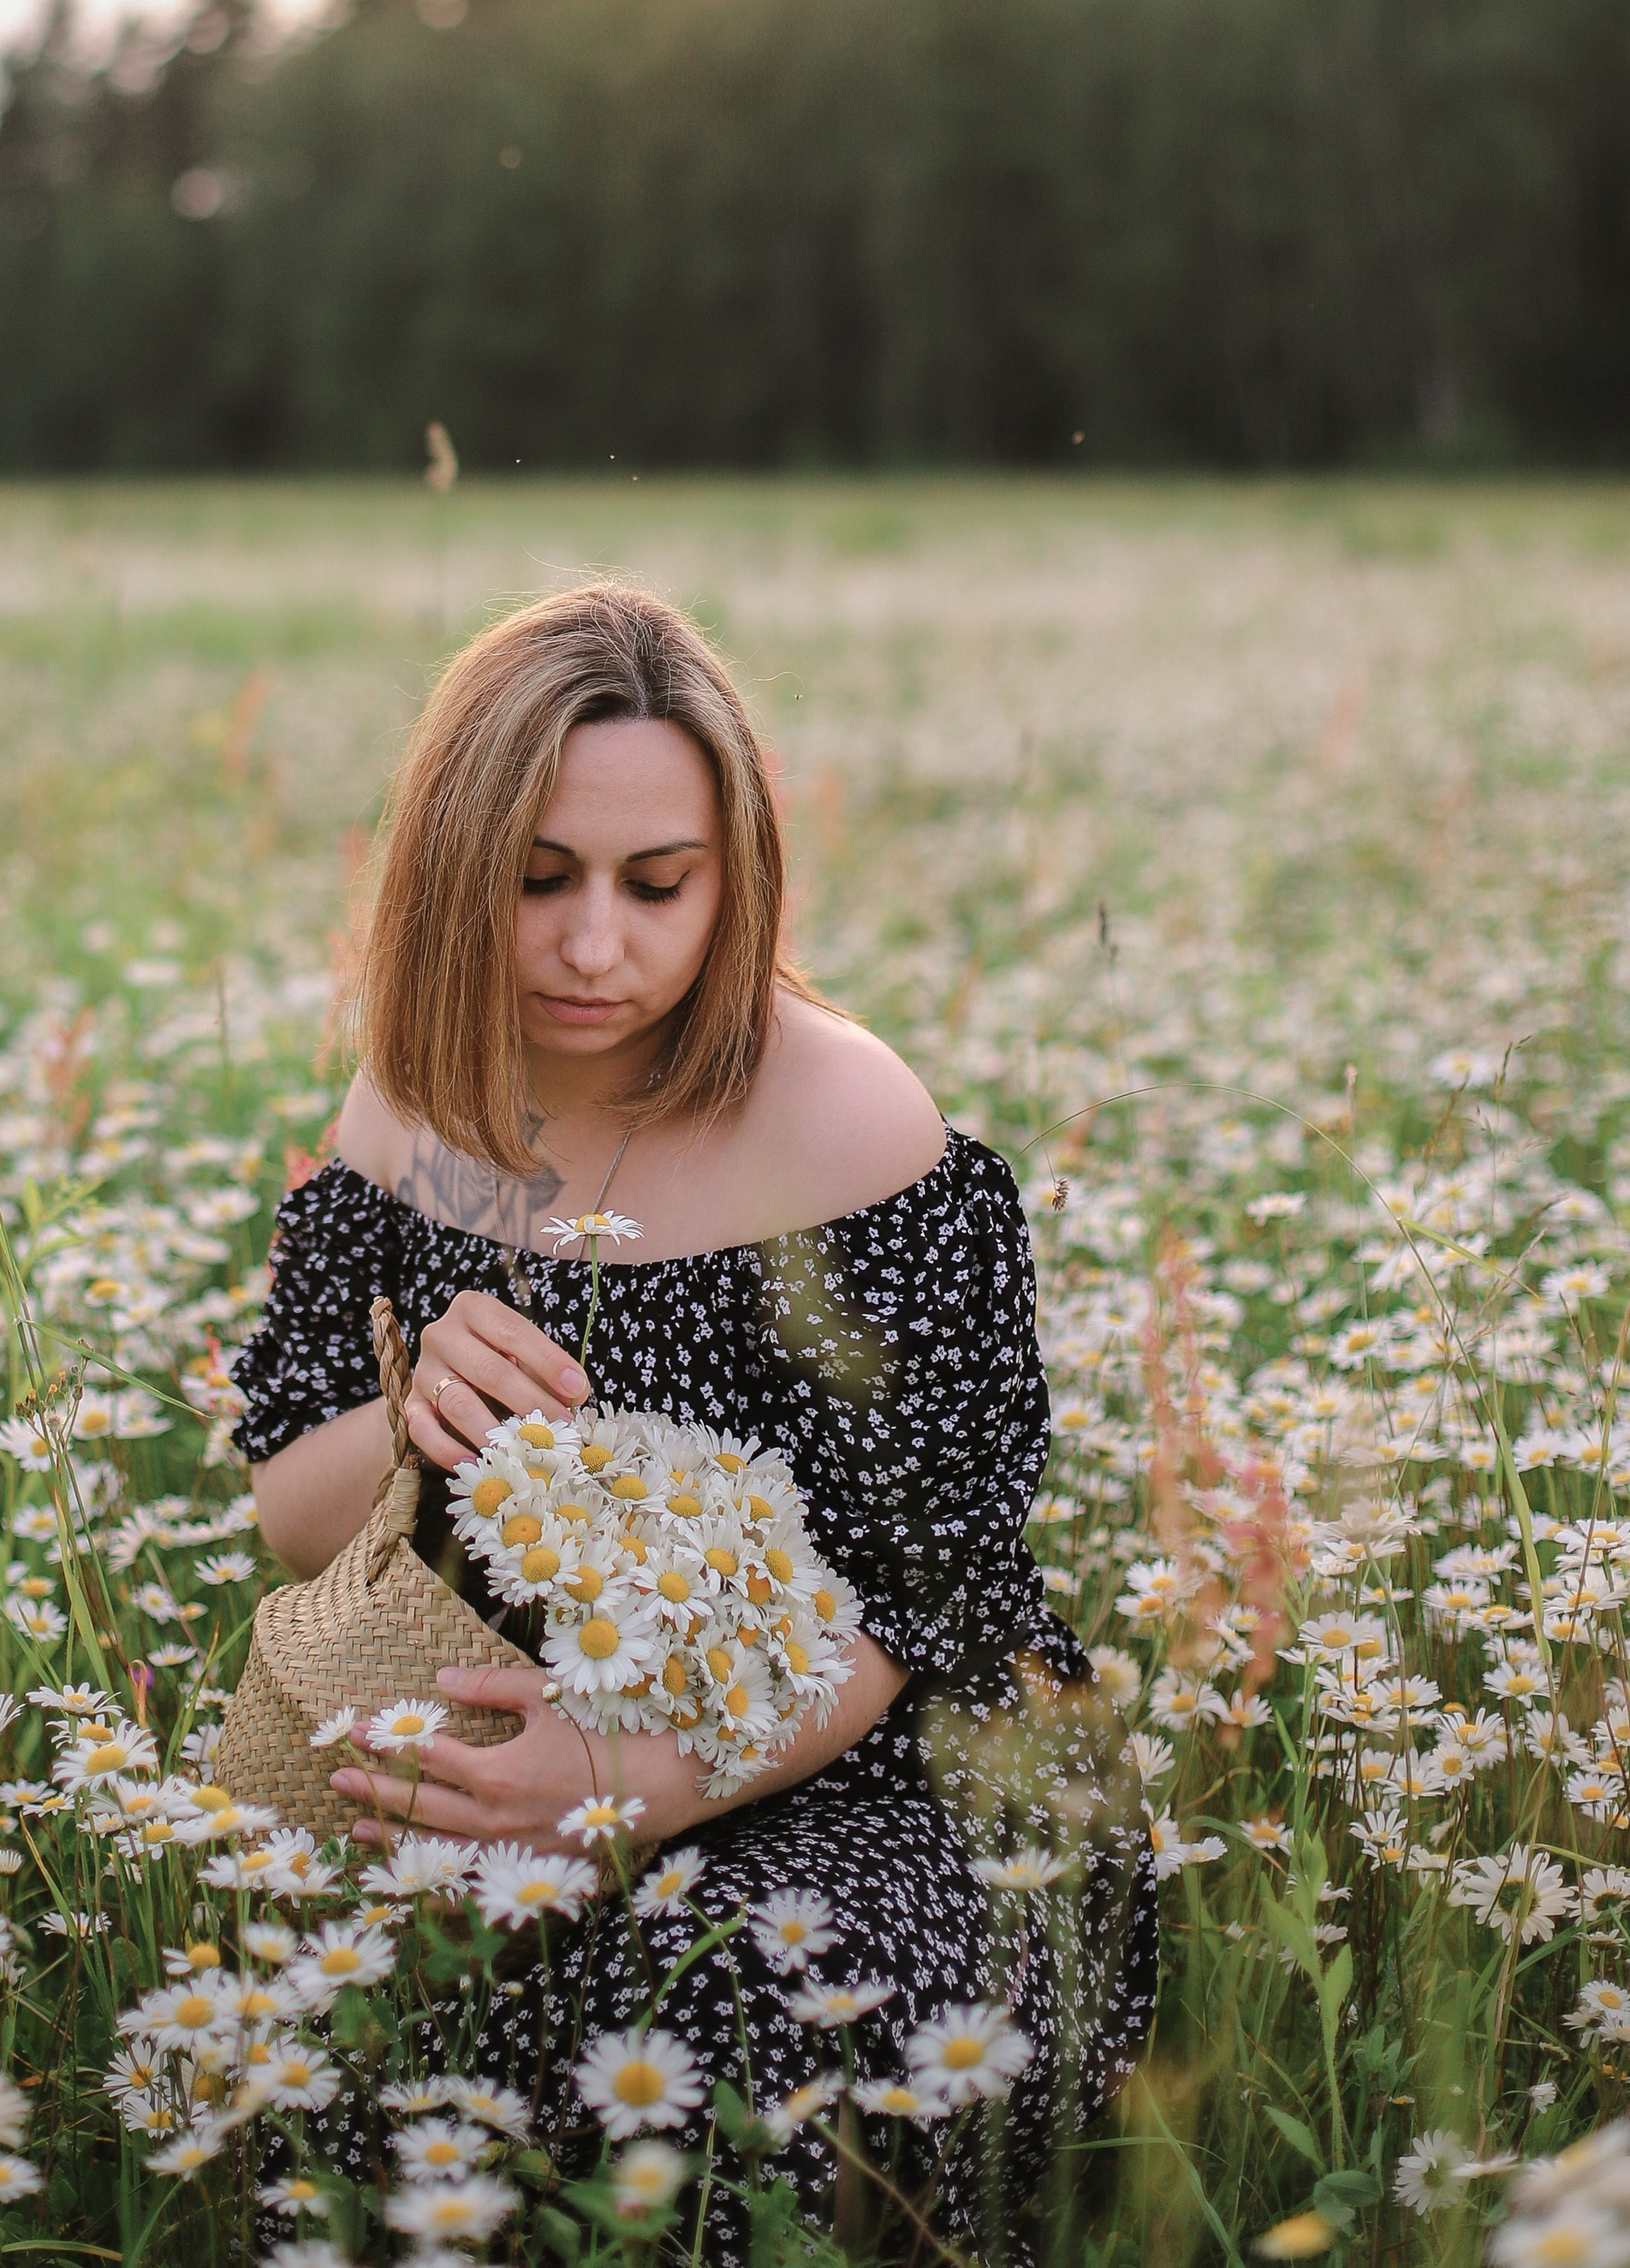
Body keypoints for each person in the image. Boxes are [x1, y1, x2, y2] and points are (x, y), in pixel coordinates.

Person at [232, 581, 1155, 2255]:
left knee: (729, 2014)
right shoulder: (409, 1110)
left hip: (884, 1766)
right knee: (376, 2082)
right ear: (453, 874)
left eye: (657, 886)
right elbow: (289, 1496)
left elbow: (925, 1587)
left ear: (733, 879)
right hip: (530, 1753)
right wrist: (408, 1412)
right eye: (537, 881)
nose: (598, 946)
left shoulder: (852, 1130)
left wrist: (634, 1782)